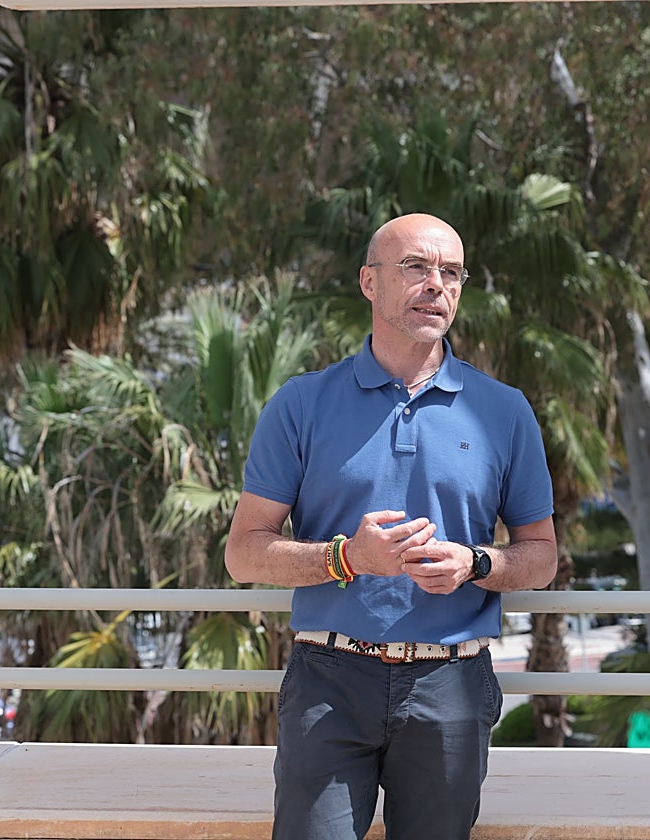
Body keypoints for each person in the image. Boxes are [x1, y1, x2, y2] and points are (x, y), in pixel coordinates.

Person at [225, 212, 557, 840]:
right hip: (329, 681)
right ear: (368, 282)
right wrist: (345, 559)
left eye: (451, 273)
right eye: (416, 268)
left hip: (451, 685)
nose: (437, 285)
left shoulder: (505, 412)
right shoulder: (301, 404)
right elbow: (244, 553)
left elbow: (541, 557)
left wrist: (477, 565)